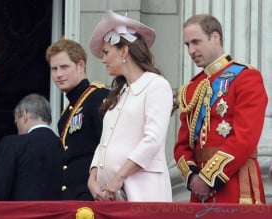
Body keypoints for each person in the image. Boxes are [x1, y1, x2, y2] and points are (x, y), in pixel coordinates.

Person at [174, 14, 268, 204]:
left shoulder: (246, 77)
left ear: (215, 38)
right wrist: (193, 179)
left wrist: (209, 177)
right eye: (187, 45)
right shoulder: (192, 88)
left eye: (196, 42)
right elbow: (182, 145)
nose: (191, 50)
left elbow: (246, 137)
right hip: (199, 191)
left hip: (235, 184)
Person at [87, 10, 173, 202]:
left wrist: (119, 176)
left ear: (124, 51)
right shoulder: (120, 92)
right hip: (114, 195)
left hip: (144, 193)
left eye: (107, 52)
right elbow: (104, 143)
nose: (103, 59)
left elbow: (152, 140)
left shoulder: (156, 85)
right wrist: (93, 177)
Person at [45, 39, 109, 200]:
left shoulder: (97, 97)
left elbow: (109, 146)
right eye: (54, 69)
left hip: (92, 196)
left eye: (64, 67)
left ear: (80, 66)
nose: (58, 74)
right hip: (72, 198)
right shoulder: (67, 113)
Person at [0, 94, 62, 200]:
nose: (18, 129)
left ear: (25, 114)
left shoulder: (12, 144)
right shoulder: (64, 145)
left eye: (16, 122)